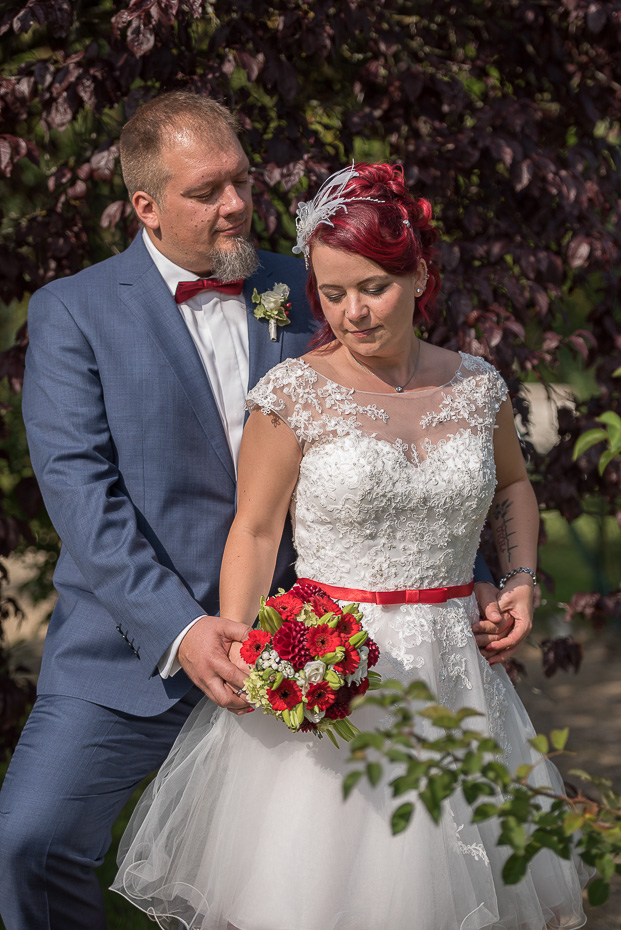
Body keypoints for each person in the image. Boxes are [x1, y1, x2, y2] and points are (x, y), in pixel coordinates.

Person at [112, 164, 589, 930]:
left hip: (456, 672)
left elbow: (512, 487)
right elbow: (255, 529)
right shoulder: (292, 395)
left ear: (419, 275)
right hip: (333, 673)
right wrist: (239, 638)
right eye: (331, 294)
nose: (352, 313)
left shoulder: (477, 386)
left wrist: (522, 579)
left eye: (372, 288)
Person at [0, 91, 316, 930]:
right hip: (129, 647)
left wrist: (472, 572)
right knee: (31, 842)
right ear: (146, 206)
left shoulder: (305, 287)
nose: (236, 204)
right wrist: (181, 627)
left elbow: (389, 433)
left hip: (304, 639)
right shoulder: (73, 310)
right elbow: (79, 491)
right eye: (206, 191)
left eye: (240, 180)